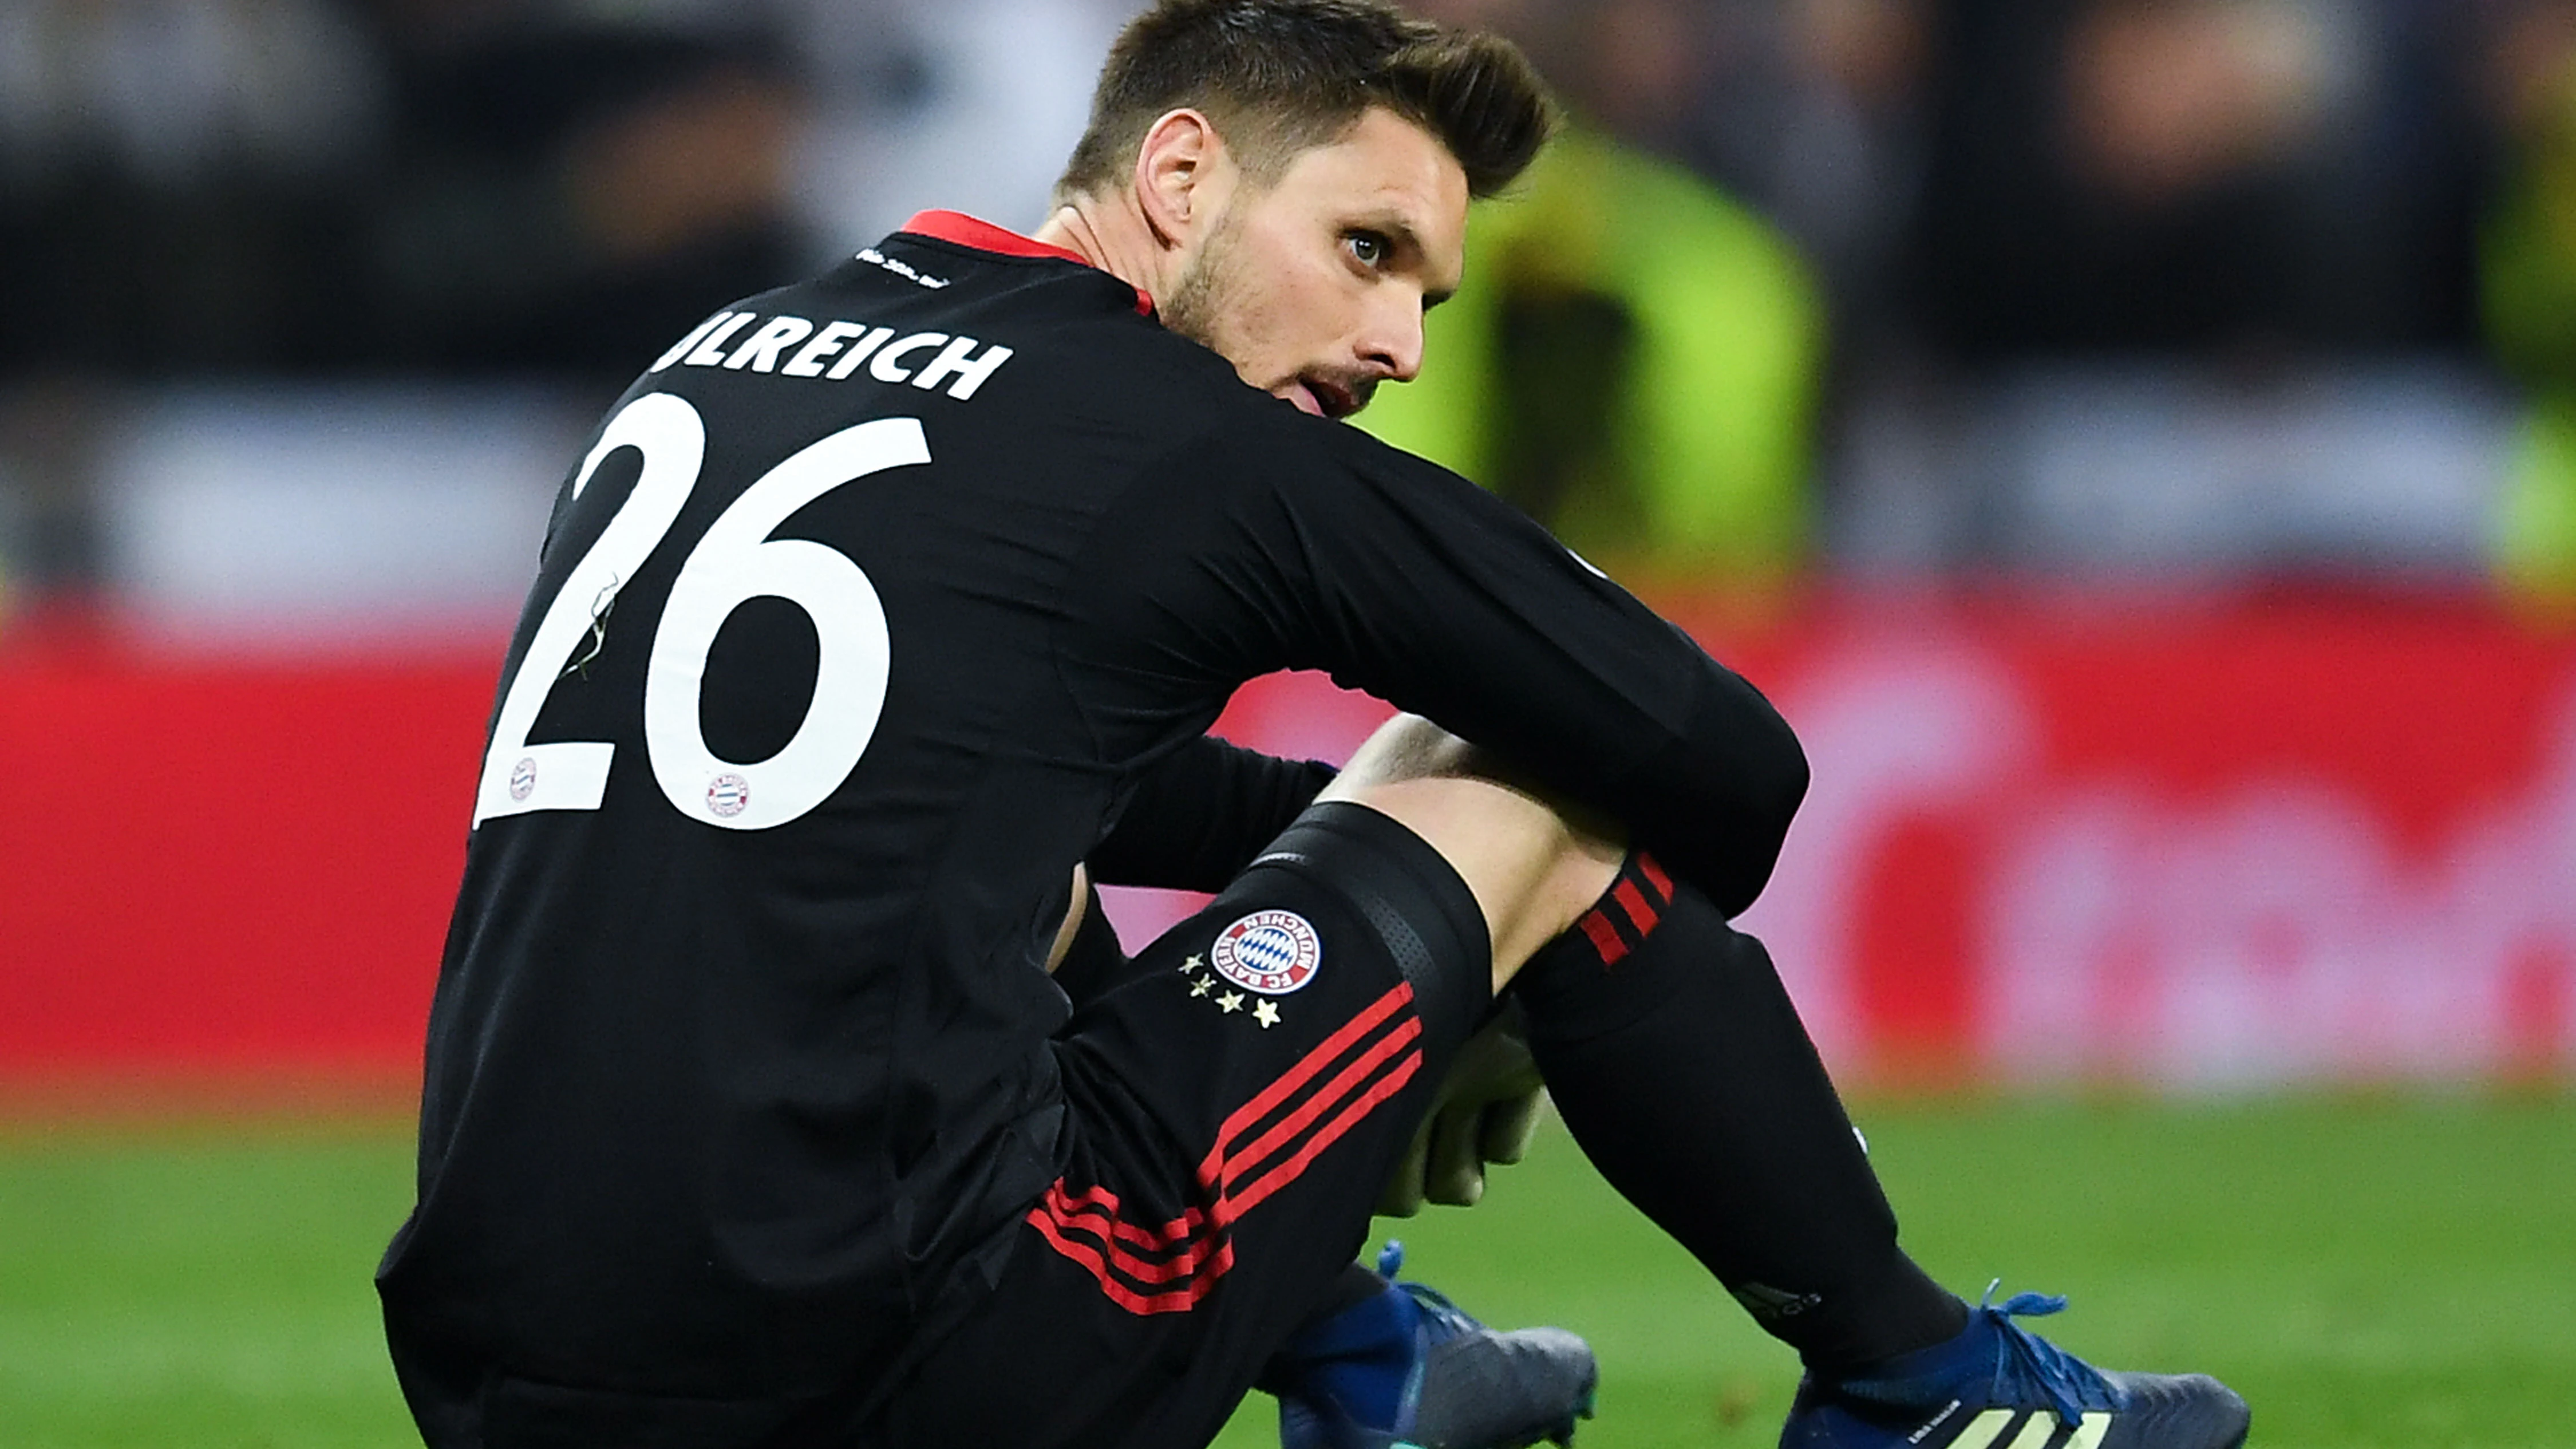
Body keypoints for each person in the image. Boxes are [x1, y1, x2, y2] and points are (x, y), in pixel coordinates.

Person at [376, 3, 2251, 1447]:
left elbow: (968, 765)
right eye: (1365, 252)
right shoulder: (1190, 445)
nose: (1401, 347)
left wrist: (1396, 929)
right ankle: (1913, 1384)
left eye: (1432, 292)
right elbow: (1726, 765)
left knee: (1014, 856)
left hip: (496, 1366)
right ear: (1180, 180)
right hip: (894, 1370)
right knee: (1530, 785)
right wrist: (1468, 965)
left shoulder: (733, 348)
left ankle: (1364, 1356)